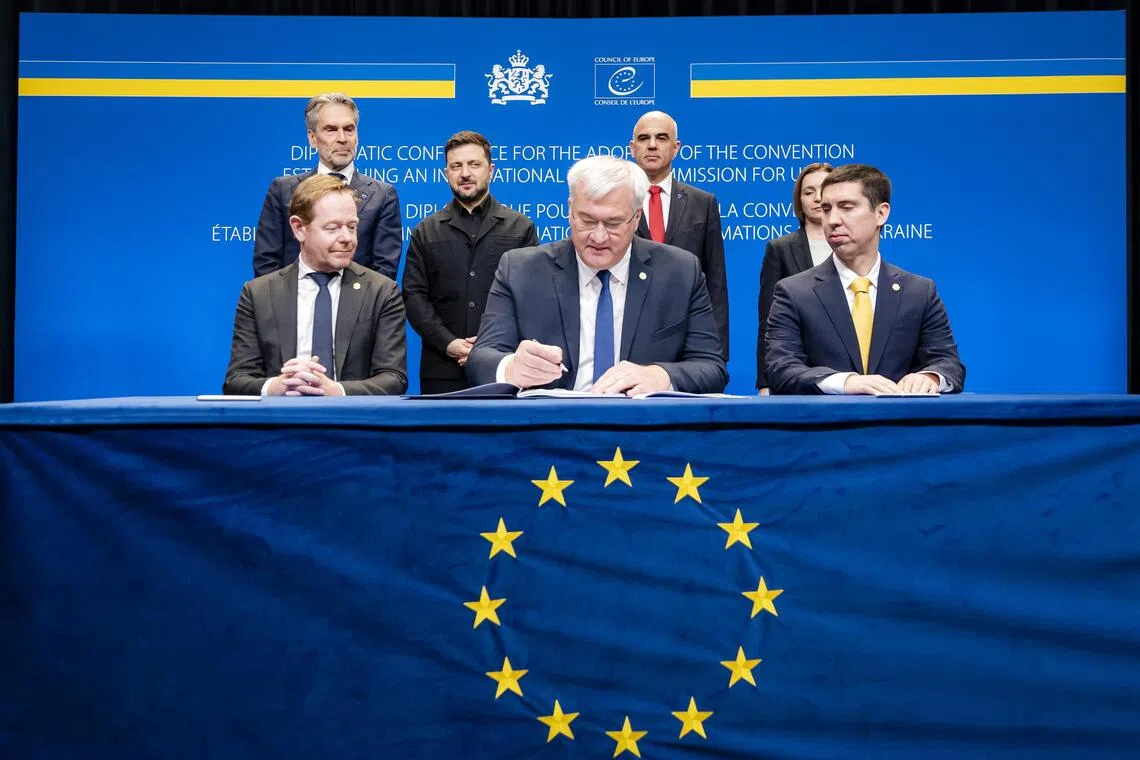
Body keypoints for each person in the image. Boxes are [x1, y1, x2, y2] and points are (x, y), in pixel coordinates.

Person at [466, 155, 726, 396]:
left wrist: (660, 375)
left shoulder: (679, 272)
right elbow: (481, 360)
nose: (598, 237)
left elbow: (711, 367)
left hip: (644, 431)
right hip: (550, 430)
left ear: (636, 218)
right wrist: (511, 368)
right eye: (587, 221)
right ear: (570, 209)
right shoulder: (521, 270)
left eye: (613, 224)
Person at [764, 164, 965, 396]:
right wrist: (845, 383)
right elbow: (781, 369)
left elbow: (948, 363)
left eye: (847, 207)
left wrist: (930, 377)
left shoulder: (920, 292)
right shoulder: (794, 292)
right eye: (827, 209)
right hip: (824, 428)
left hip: (901, 427)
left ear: (881, 213)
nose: (832, 220)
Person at [224, 174, 407, 396]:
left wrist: (335, 390)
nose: (347, 238)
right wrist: (280, 385)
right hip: (281, 422)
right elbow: (236, 380)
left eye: (352, 226)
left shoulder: (382, 292)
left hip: (353, 424)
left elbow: (394, 378)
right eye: (332, 228)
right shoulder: (258, 294)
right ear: (299, 228)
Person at [402, 131, 538, 394]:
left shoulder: (520, 228)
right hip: (441, 369)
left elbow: (530, 298)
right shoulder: (425, 231)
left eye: (474, 164)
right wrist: (449, 343)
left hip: (503, 366)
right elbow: (414, 297)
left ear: (491, 170)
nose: (465, 173)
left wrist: (489, 346)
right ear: (446, 173)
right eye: (456, 166)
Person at [252, 92, 402, 280]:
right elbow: (266, 264)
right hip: (292, 305)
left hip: (358, 306)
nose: (342, 138)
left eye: (349, 129)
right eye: (331, 130)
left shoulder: (383, 195)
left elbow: (384, 273)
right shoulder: (283, 190)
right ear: (312, 138)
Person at [629, 111, 729, 359]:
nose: (652, 145)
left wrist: (718, 353)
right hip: (627, 332)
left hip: (686, 336)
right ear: (632, 148)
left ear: (676, 148)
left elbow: (715, 283)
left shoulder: (702, 203)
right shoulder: (617, 202)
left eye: (661, 138)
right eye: (644, 138)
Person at [755, 162, 834, 392]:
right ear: (799, 200)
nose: (817, 198)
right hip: (794, 369)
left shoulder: (853, 246)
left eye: (824, 190)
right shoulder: (780, 249)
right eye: (809, 192)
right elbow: (767, 321)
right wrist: (765, 381)